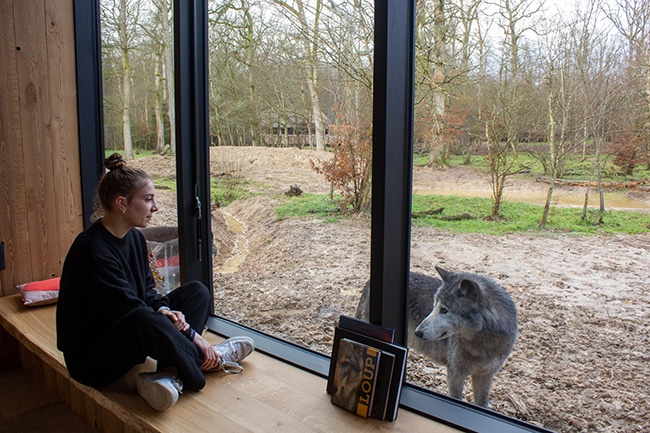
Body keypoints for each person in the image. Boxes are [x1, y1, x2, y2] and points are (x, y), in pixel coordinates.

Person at [56, 153, 254, 411]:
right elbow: (130, 310)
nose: (155, 207)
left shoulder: (134, 239)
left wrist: (165, 309)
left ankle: (169, 375)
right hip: (94, 359)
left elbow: (148, 291)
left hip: (130, 327)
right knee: (145, 318)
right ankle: (209, 358)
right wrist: (195, 338)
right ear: (122, 203)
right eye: (148, 199)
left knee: (197, 292)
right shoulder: (93, 251)